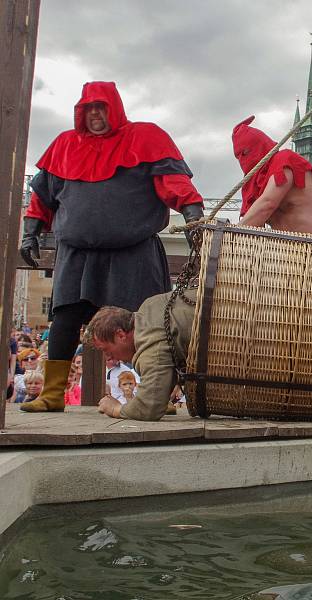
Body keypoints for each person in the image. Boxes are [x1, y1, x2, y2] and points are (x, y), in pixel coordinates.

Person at [18, 81, 205, 413]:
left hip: (132, 252)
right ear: (80, 112)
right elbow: (41, 197)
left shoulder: (145, 137)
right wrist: (30, 232)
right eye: (88, 109)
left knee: (146, 323)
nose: (94, 115)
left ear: (114, 108)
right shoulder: (64, 144)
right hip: (76, 254)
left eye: (100, 108)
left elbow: (174, 182)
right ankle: (51, 394)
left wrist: (192, 216)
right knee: (64, 318)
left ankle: (159, 395)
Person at [232, 116, 312, 240]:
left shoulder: (283, 160)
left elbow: (267, 204)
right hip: (296, 250)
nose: (243, 158)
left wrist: (231, 237)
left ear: (260, 144)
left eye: (246, 152)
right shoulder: (255, 184)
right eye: (239, 156)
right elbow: (253, 228)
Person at [83, 290, 196, 421]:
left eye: (106, 350)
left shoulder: (150, 338)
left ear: (120, 335)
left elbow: (149, 407)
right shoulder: (150, 307)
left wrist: (115, 409)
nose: (108, 357)